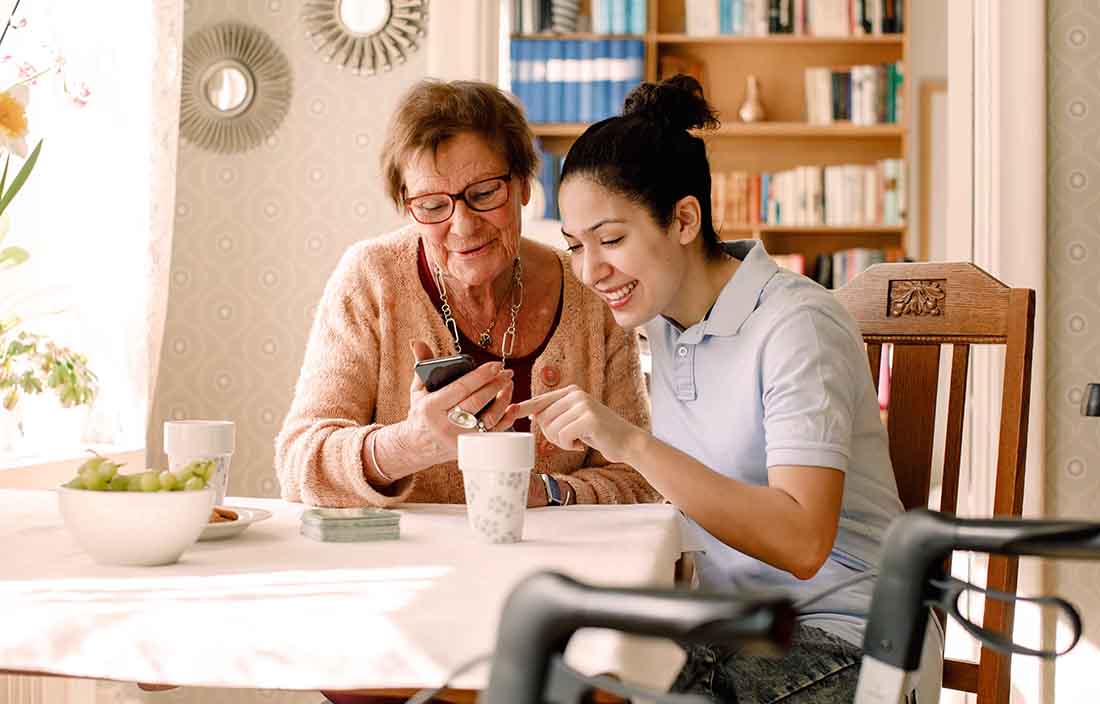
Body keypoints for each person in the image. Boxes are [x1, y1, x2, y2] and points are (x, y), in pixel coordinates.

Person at [501, 75, 940, 703]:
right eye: (575, 246)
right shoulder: (661, 319)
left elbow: (803, 541)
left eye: (612, 239)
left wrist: (628, 441)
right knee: (562, 667)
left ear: (684, 218)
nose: (591, 270)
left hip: (851, 638)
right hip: (728, 625)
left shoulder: (796, 326)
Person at [274, 79, 659, 513]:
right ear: (407, 205)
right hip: (409, 569)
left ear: (523, 185)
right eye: (434, 206)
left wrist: (551, 492)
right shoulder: (372, 278)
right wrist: (411, 444)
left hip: (554, 571)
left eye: (484, 194)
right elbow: (298, 462)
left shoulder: (590, 291)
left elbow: (639, 478)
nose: (463, 226)